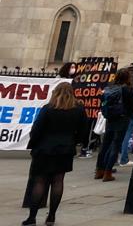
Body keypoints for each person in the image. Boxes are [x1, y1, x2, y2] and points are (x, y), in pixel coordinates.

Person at [23, 83, 89, 226]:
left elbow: (37, 129)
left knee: (39, 181)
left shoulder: (48, 109)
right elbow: (84, 130)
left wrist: (33, 145)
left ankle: (32, 217)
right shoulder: (78, 110)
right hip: (65, 149)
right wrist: (74, 141)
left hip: (44, 148)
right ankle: (51, 216)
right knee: (58, 181)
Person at [94, 67, 133, 182]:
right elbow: (131, 105)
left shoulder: (109, 87)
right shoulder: (127, 89)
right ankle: (108, 171)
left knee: (105, 143)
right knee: (116, 144)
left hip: (110, 117)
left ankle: (99, 169)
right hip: (122, 117)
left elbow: (102, 99)